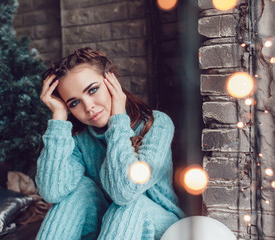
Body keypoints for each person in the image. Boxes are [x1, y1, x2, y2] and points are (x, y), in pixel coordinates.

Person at [35, 47, 184, 240]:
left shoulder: (157, 124)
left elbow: (124, 192)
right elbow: (52, 192)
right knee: (78, 193)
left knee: (128, 206)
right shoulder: (78, 139)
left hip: (158, 224)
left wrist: (118, 122)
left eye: (93, 90)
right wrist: (59, 118)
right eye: (74, 103)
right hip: (109, 229)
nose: (88, 107)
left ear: (111, 81)